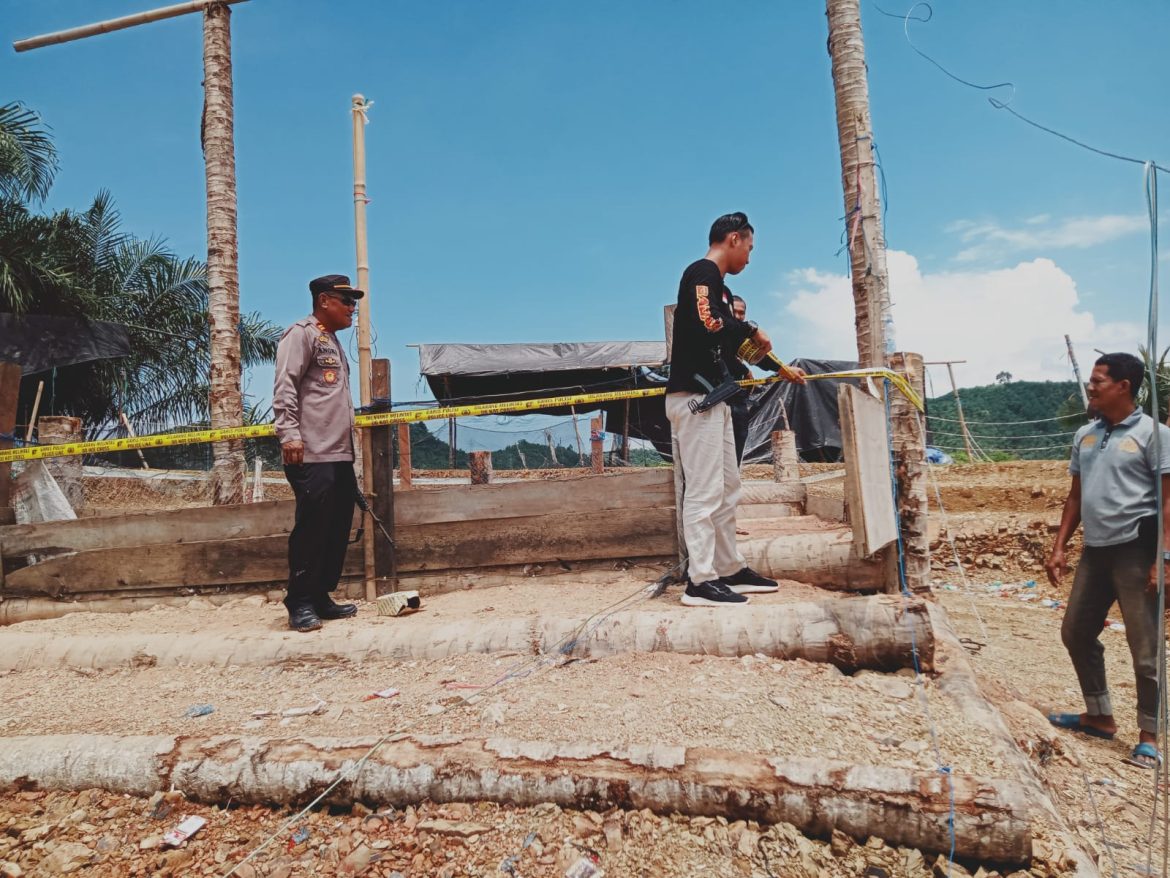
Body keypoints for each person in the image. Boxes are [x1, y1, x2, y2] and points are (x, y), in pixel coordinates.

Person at [666, 212, 805, 607]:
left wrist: (780, 368)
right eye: (749, 247)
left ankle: (729, 568)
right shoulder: (702, 274)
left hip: (719, 400)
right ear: (733, 239)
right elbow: (711, 323)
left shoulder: (722, 291)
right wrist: (751, 328)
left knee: (728, 489)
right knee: (705, 491)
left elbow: (736, 347)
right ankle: (700, 580)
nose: (749, 256)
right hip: (696, 400)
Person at [1045, 352, 1170, 769]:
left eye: (1099, 380)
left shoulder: (1155, 434)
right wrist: (1060, 545)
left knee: (1145, 645)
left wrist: (1163, 557)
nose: (1091, 387)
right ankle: (1099, 717)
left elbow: (1168, 502)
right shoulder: (1084, 435)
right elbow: (1076, 496)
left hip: (1137, 547)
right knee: (1076, 631)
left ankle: (1149, 736)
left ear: (1124, 387)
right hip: (1095, 552)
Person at [273, 274, 364, 632]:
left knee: (336, 527)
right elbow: (285, 386)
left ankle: (321, 595)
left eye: (353, 301)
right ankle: (299, 602)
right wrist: (290, 434)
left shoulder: (333, 341)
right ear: (325, 301)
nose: (352, 308)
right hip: (310, 452)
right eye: (346, 301)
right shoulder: (301, 333)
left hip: (339, 452)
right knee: (312, 528)